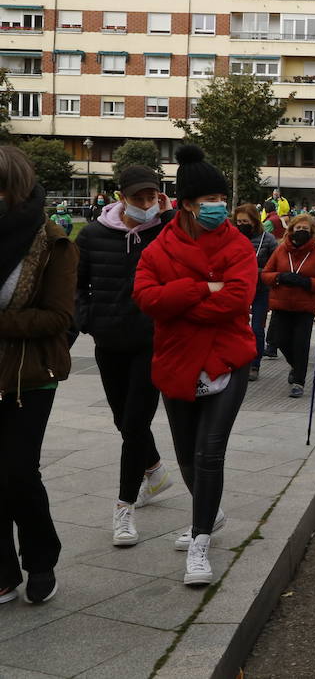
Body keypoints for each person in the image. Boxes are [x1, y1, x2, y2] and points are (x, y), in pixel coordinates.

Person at [133, 144, 257, 586]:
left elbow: (237, 301)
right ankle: (211, 510)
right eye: (208, 201)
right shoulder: (157, 248)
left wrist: (182, 298)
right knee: (185, 455)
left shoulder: (239, 245)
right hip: (177, 362)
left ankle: (201, 539)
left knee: (209, 453)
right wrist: (201, 288)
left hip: (227, 358)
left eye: (221, 199)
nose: (218, 208)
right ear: (185, 203)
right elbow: (147, 299)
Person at [76, 165, 176, 548]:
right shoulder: (92, 235)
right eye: (139, 198)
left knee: (134, 423)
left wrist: (166, 216)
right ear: (121, 198)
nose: (147, 204)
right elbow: (77, 284)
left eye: (153, 197)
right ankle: (154, 469)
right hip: (109, 341)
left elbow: (194, 246)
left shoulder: (164, 231)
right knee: (123, 419)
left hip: (151, 340)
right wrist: (87, 318)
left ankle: (124, 506)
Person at [0, 146, 76, 605]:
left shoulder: (53, 243)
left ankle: (41, 558)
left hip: (30, 375)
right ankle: (3, 569)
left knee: (17, 471)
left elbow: (57, 318)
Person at [261, 215, 315, 399]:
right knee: (281, 341)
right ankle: (295, 365)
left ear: (312, 232)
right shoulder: (280, 250)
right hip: (281, 305)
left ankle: (299, 381)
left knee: (301, 345)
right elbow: (266, 274)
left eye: (306, 229)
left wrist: (307, 282)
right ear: (291, 229)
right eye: (298, 228)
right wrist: (280, 277)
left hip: (305, 308)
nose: (301, 231)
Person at [233, 205, 277, 381]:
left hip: (260, 290)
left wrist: (254, 271)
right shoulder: (233, 238)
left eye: (245, 221)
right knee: (235, 327)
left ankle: (254, 364)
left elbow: (275, 264)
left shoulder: (268, 239)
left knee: (257, 328)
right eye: (239, 222)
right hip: (238, 289)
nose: (242, 224)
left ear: (254, 221)